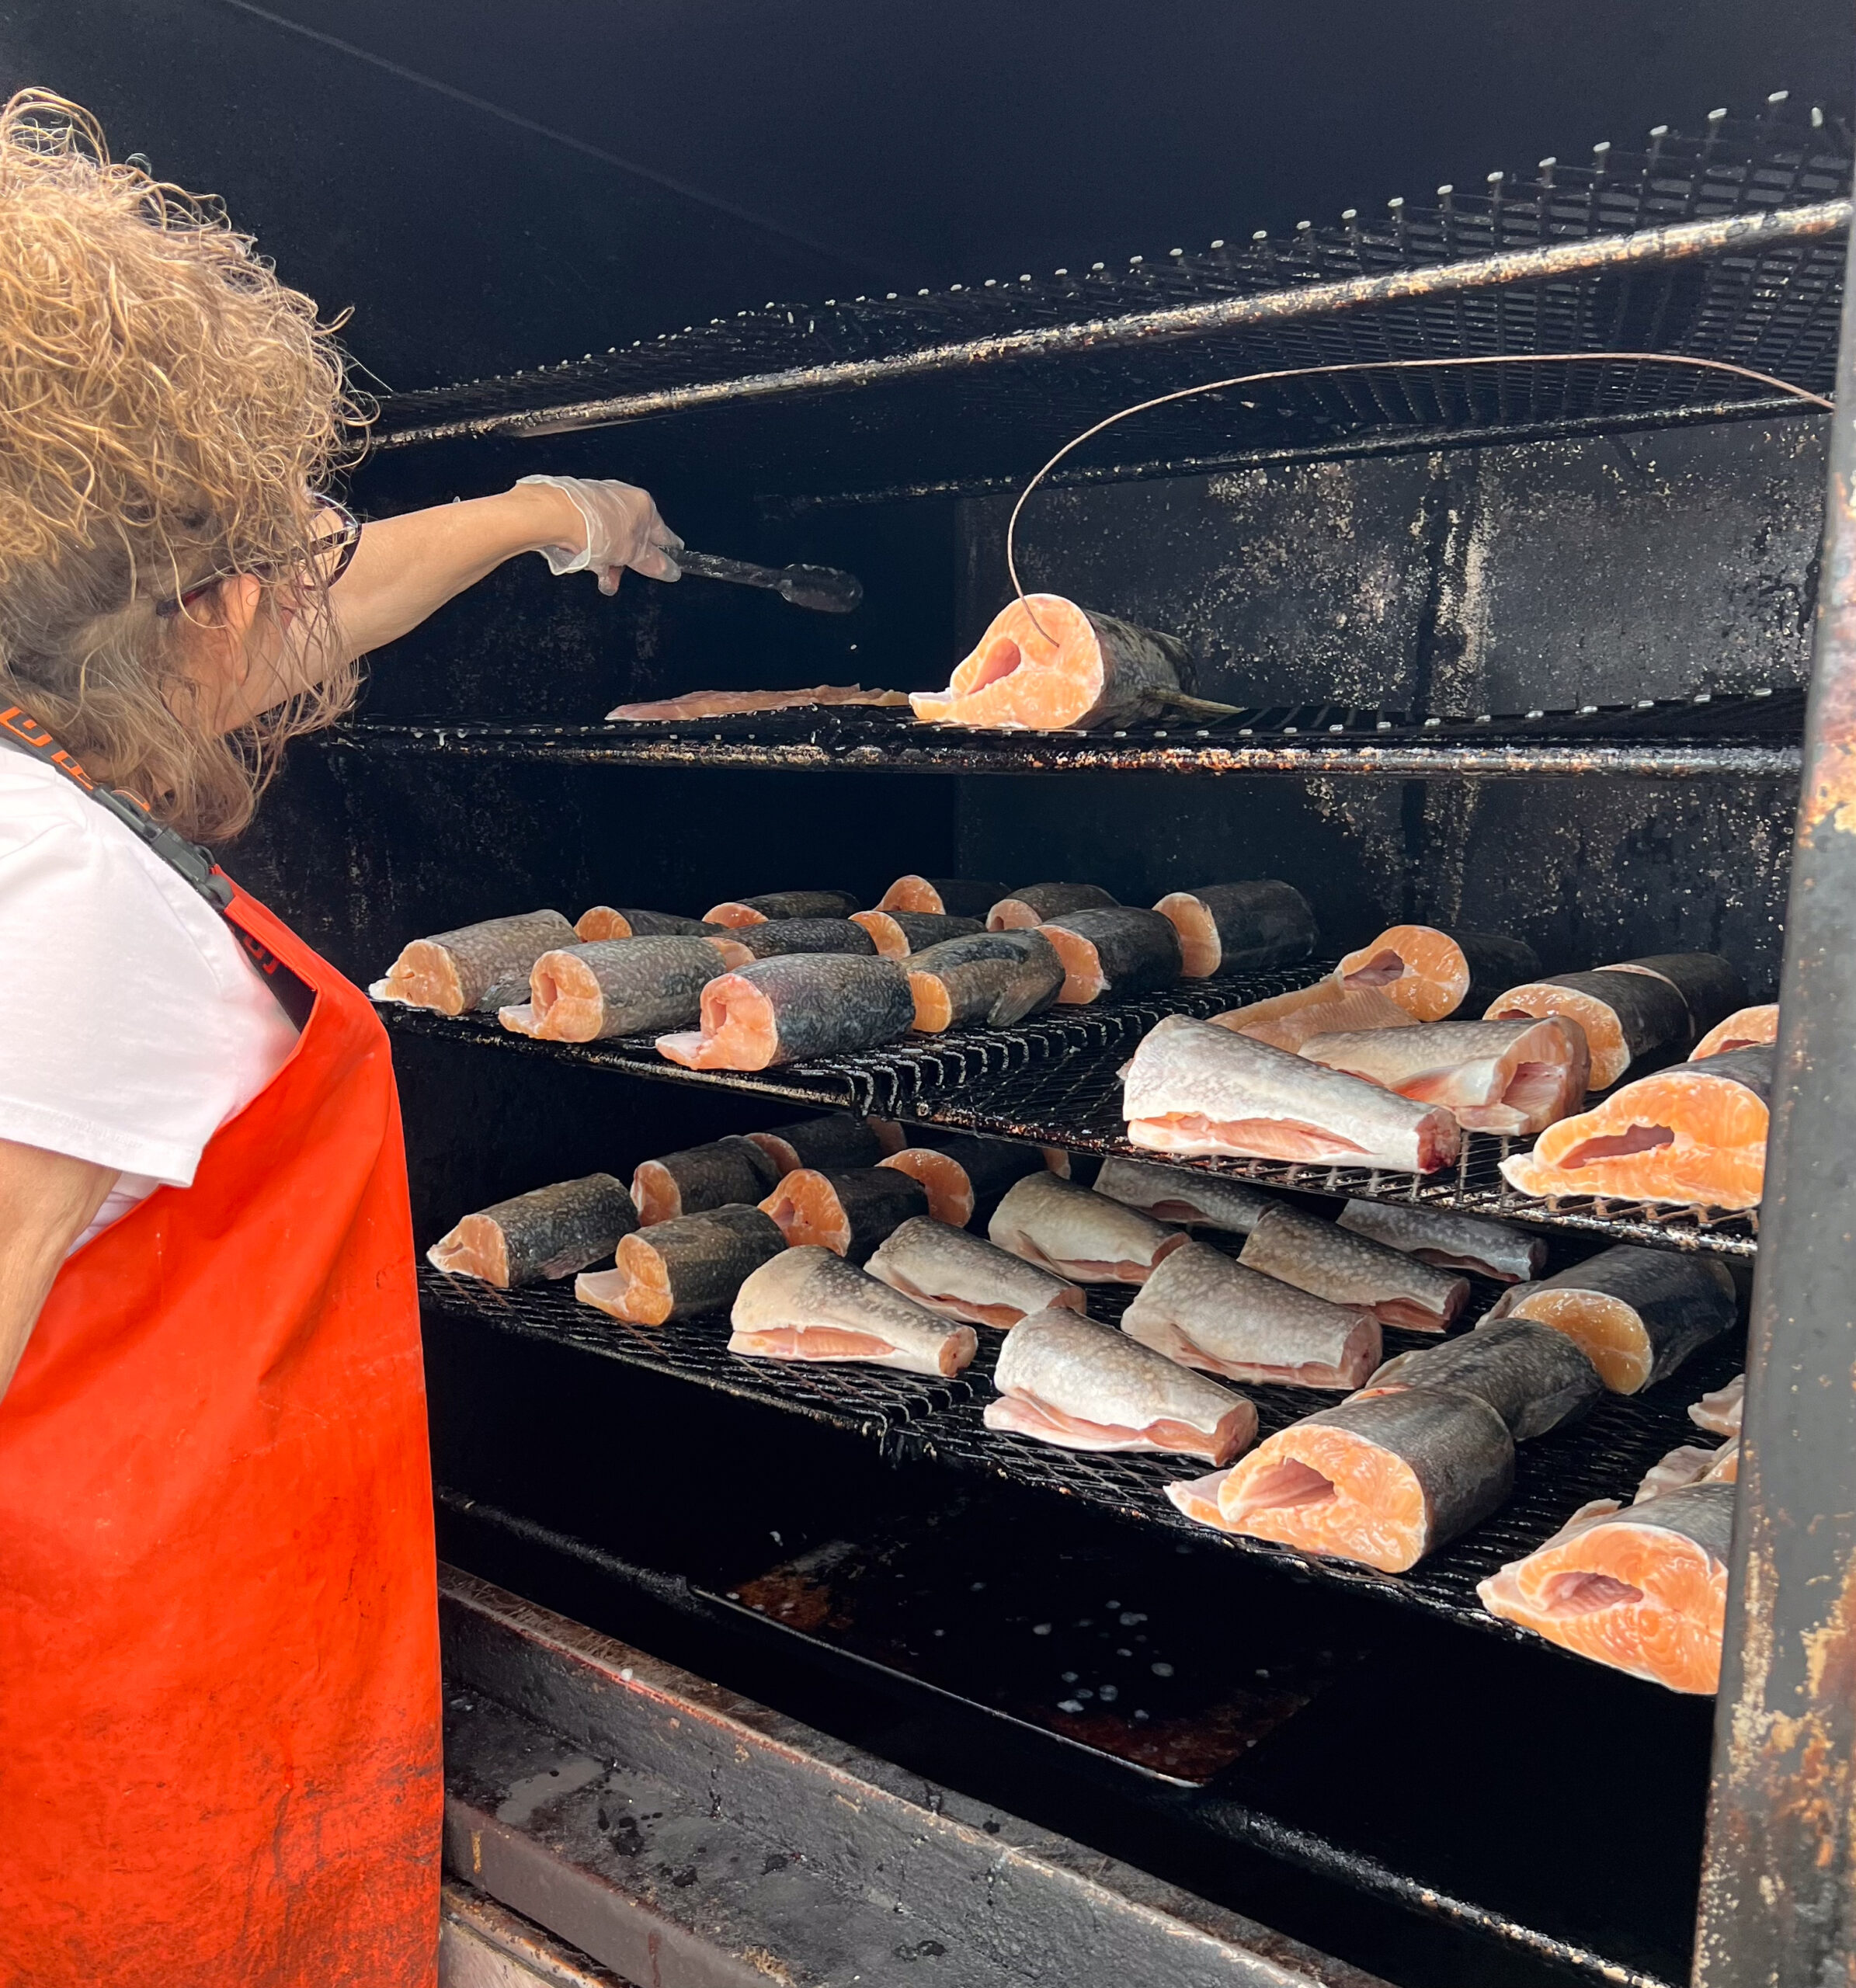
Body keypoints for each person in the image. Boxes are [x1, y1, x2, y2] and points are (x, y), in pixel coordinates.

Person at [0, 91, 679, 1987]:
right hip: (121, 1741)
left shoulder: (38, 767)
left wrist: (551, 517)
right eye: (274, 555)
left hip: (176, 1644)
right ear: (167, 608)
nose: (316, 594)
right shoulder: (62, 890)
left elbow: (285, 625)